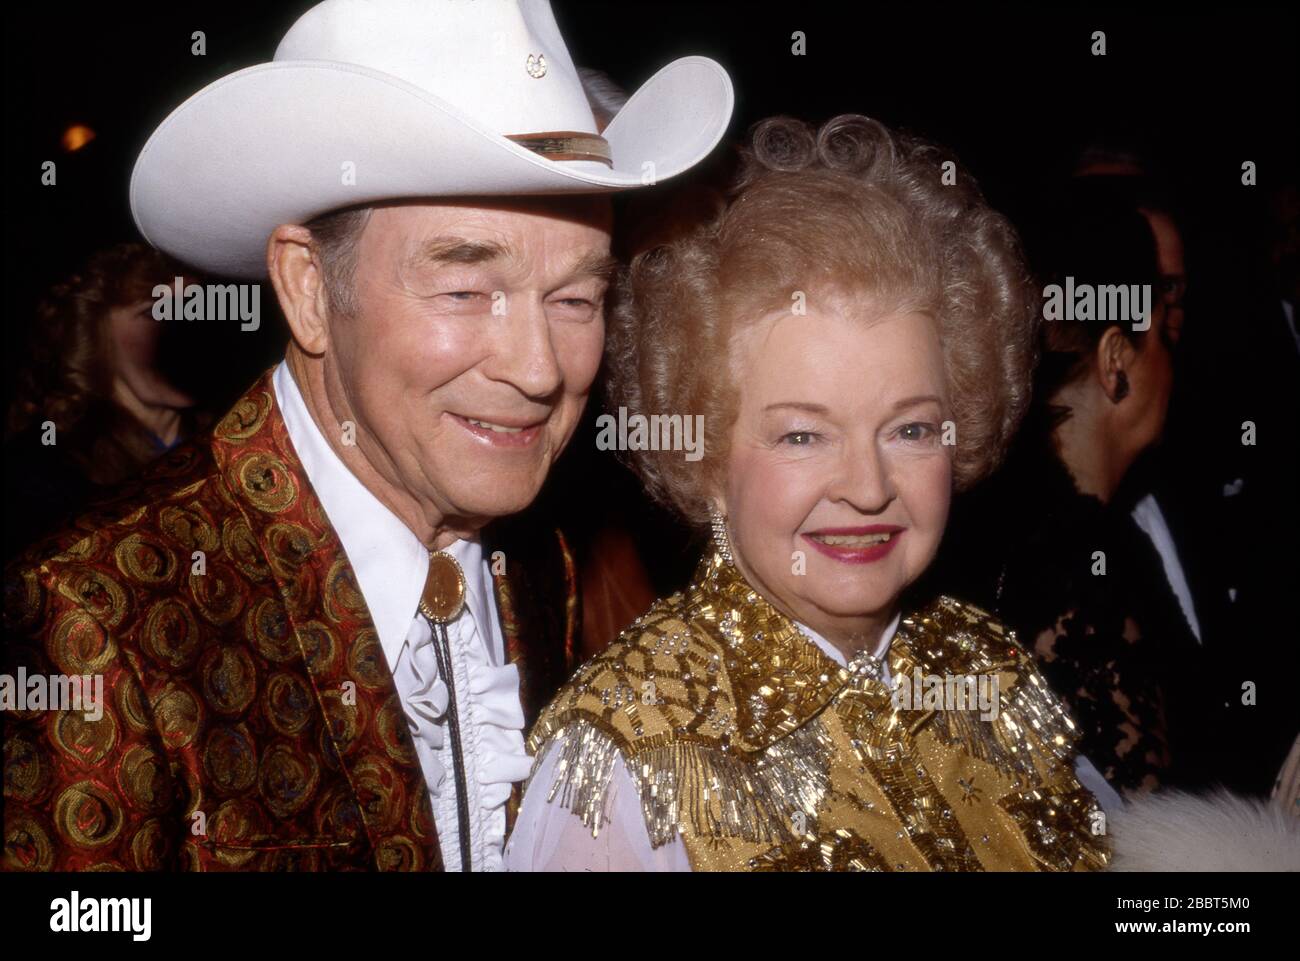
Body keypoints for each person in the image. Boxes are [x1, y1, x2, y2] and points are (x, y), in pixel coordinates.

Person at [2, 0, 732, 871]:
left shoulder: (546, 563)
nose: (540, 368)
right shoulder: (96, 614)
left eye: (576, 298)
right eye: (465, 289)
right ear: (309, 289)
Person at [506, 115, 1113, 872]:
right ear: (703, 458)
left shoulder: (992, 673)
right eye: (802, 435)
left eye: (911, 430)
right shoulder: (626, 754)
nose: (867, 488)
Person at [934, 187, 1191, 795]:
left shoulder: (1000, 527)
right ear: (1116, 361)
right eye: (1165, 339)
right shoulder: (1084, 565)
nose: (1174, 368)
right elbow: (1147, 841)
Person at [4, 243, 211, 560]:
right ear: (96, 333)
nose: (185, 331)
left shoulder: (237, 438)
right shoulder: (43, 474)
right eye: (154, 311)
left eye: (197, 310)